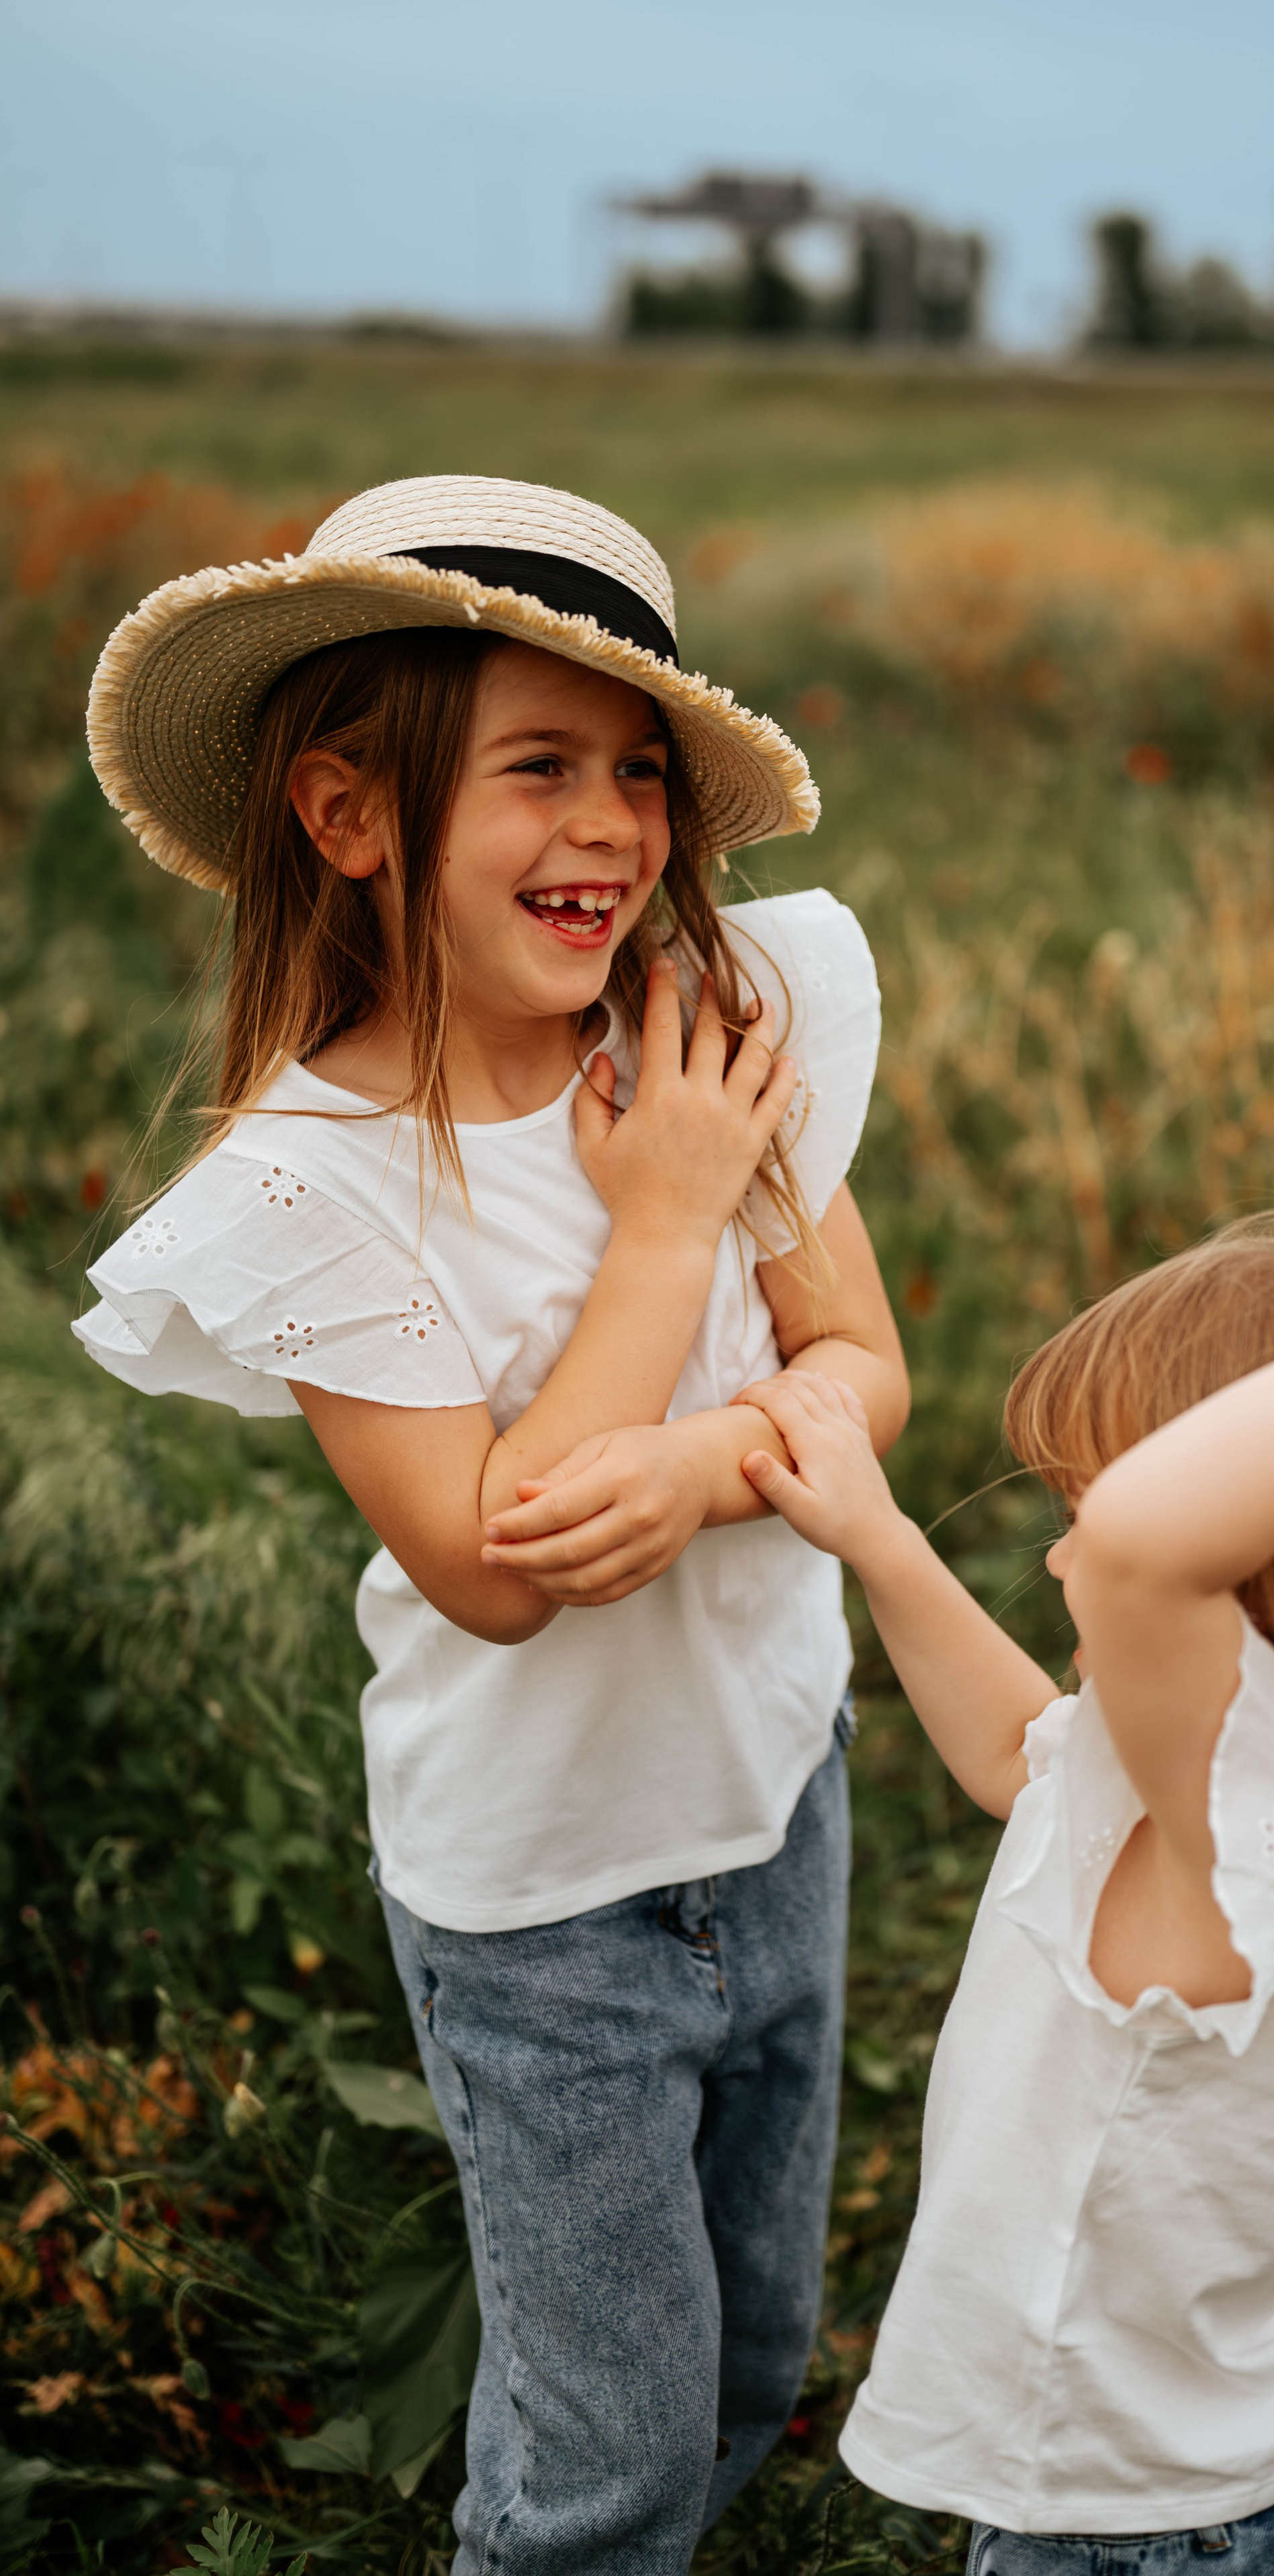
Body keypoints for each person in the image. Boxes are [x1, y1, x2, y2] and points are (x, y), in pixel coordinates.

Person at [73, 476, 909, 2573]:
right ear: (352, 814)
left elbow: (867, 1366)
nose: (616, 828)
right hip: (546, 1901)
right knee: (604, 2443)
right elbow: (496, 1556)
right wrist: (665, 1227)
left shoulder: (716, 1031)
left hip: (774, 1798)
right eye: (541, 768)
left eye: (640, 772)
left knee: (745, 2359)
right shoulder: (321, 1179)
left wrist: (726, 1456)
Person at [737, 1114, 1274, 2575]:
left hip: (1151, 2532)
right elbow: (1015, 1755)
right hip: (1266, 2456)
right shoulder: (1264, 1784)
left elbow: (1149, 1541)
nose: (1063, 1554)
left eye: (1081, 1509)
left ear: (1258, 1560)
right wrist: (881, 1540)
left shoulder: (1250, 1811)